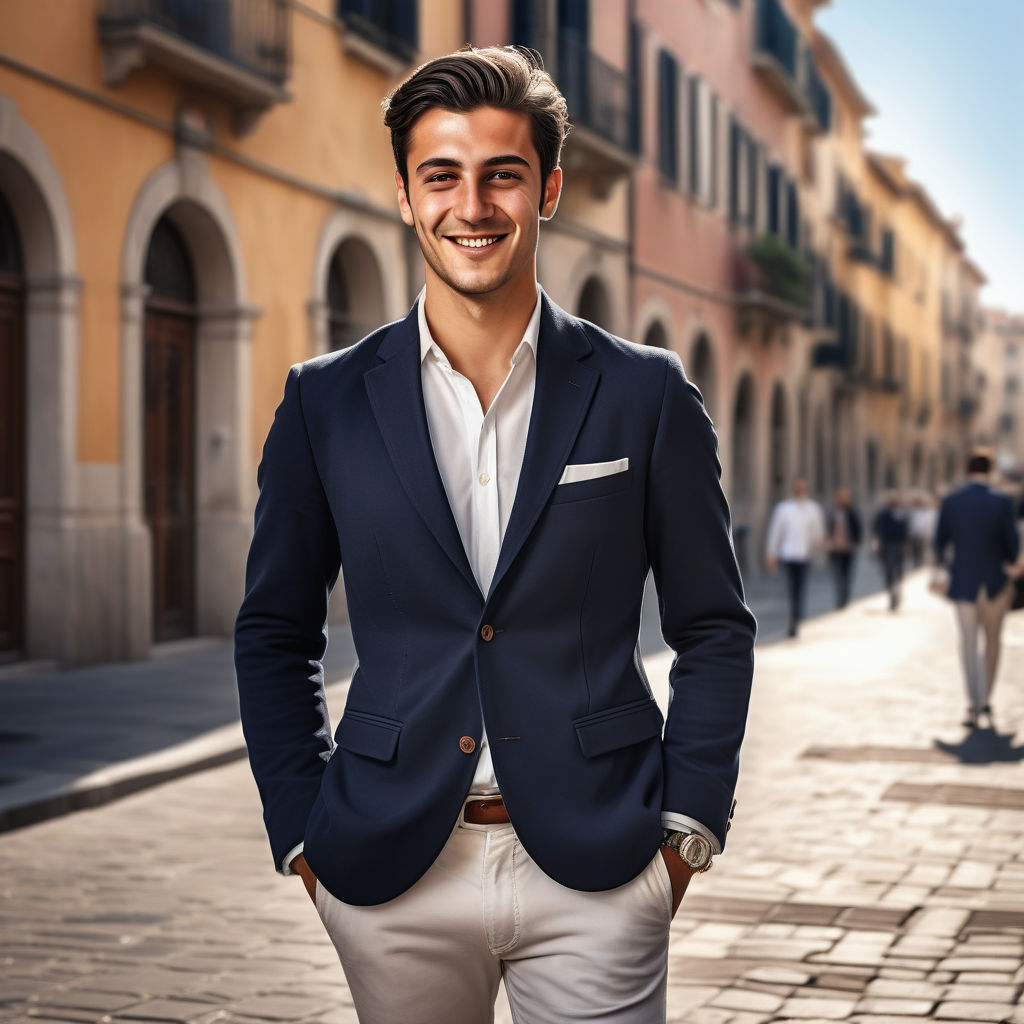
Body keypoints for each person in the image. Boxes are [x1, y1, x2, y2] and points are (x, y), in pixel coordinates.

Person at [234, 46, 756, 1023]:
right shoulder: (322, 403)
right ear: (404, 196)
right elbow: (273, 631)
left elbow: (714, 626)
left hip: (601, 868)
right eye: (440, 176)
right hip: (389, 873)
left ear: (547, 190)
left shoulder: (645, 394)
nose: (470, 206)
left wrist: (685, 831)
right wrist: (302, 833)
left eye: (502, 175)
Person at [934, 448, 1020, 729]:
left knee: (968, 643)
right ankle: (985, 699)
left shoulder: (952, 501)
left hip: (963, 582)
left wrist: (947, 571)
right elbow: (1012, 545)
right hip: (995, 583)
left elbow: (939, 543)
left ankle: (972, 703)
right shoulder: (1002, 501)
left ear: (967, 469)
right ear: (990, 469)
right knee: (992, 643)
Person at [765, 478, 825, 637]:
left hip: (805, 555)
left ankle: (797, 614)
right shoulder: (784, 509)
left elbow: (817, 533)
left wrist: (820, 550)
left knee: (800, 586)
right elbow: (776, 532)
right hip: (789, 554)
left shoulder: (813, 509)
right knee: (792, 587)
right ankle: (794, 615)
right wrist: (772, 553)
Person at [824, 486, 862, 609]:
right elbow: (827, 528)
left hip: (848, 548)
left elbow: (857, 528)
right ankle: (839, 597)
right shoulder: (832, 512)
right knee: (837, 574)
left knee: (846, 574)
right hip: (835, 548)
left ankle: (845, 597)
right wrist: (827, 542)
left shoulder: (852, 512)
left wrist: (856, 542)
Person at [872, 492, 908, 611]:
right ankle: (894, 593)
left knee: (892, 571)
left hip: (893, 545)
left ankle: (895, 592)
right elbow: (877, 528)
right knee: (892, 571)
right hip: (889, 545)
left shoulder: (898, 513)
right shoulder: (888, 513)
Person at [908, 490, 938, 568]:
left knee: (924, 554)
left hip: (925, 535)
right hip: (915, 535)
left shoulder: (928, 512)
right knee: (915, 554)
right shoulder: (910, 511)